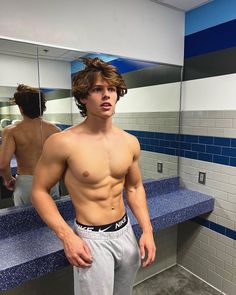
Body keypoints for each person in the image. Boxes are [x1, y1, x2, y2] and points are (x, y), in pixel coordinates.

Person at [31, 58, 156, 295]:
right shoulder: (63, 142)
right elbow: (39, 191)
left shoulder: (130, 142)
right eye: (98, 90)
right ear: (83, 98)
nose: (106, 95)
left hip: (126, 231)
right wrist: (67, 236)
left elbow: (134, 188)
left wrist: (147, 231)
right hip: (92, 239)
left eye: (111, 89)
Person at [0, 84, 61, 206]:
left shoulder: (12, 131)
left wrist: (8, 180)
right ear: (42, 107)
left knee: (26, 222)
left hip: (26, 183)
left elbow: (3, 164)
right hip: (51, 180)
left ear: (21, 108)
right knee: (51, 219)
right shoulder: (55, 129)